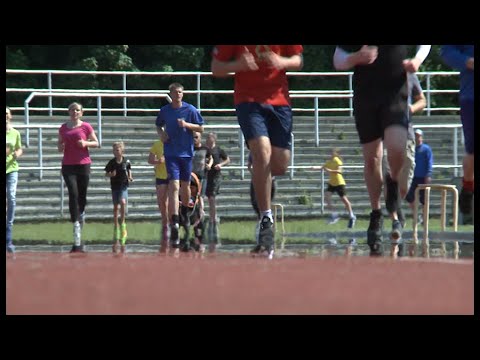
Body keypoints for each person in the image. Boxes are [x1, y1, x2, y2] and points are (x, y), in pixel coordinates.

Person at [333, 45, 431, 256]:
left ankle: (393, 180)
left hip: (395, 94)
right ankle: (376, 212)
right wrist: (356, 57)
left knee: (397, 147)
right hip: (366, 95)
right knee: (372, 159)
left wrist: (418, 60)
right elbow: (338, 60)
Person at [211, 44, 304, 259]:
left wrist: (282, 62)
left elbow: (298, 60)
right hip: (248, 101)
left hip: (279, 101)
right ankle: (266, 218)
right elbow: (216, 68)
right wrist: (238, 65)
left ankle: (261, 167)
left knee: (280, 165)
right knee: (263, 154)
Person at [155, 82, 205, 251]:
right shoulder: (165, 110)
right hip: (171, 153)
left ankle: (185, 214)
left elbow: (201, 128)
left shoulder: (190, 110)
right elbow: (158, 124)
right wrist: (162, 134)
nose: (178, 94)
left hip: (186, 153)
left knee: (185, 187)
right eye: (175, 92)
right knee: (174, 185)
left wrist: (187, 125)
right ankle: (175, 223)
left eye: (181, 92)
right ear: (170, 93)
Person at [383, 72, 427, 228]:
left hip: (406, 134)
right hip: (385, 134)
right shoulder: (379, 73)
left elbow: (422, 100)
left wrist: (412, 108)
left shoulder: (410, 75)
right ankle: (395, 219)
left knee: (404, 185)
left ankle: (397, 208)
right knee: (389, 179)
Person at [58, 102, 99, 253]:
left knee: (82, 196)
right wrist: (61, 147)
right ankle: (75, 225)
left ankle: (80, 215)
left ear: (81, 112)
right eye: (72, 110)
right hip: (68, 165)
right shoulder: (63, 127)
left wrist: (85, 143)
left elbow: (96, 142)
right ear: (68, 112)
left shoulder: (86, 126)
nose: (75, 112)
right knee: (73, 194)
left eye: (77, 110)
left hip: (83, 165)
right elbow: (59, 146)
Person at [440, 45, 474, 219]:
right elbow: (447, 52)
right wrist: (467, 62)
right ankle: (468, 186)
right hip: (472, 96)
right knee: (473, 151)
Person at [312, 148, 356, 228]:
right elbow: (322, 167)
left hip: (339, 182)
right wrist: (313, 168)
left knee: (345, 200)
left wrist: (329, 170)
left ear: (334, 154)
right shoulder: (329, 162)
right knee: (327, 197)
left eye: (331, 153)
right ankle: (334, 215)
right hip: (332, 183)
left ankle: (352, 216)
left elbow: (339, 171)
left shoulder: (337, 160)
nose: (329, 155)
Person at [105, 141, 133, 254]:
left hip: (123, 186)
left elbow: (129, 171)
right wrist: (110, 175)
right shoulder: (111, 163)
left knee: (123, 201)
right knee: (116, 206)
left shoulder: (126, 161)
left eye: (118, 149)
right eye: (115, 150)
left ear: (122, 150)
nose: (116, 152)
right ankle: (116, 226)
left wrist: (130, 177)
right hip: (115, 186)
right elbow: (106, 173)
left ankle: (123, 225)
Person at [204, 131, 230, 252]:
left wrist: (221, 164)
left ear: (214, 139)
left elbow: (227, 159)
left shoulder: (218, 150)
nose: (208, 139)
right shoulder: (204, 149)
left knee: (212, 197)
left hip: (216, 176)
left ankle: (213, 218)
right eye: (207, 137)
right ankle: (208, 216)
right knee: (207, 196)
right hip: (206, 175)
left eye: (210, 137)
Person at [405, 129, 434, 224]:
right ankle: (416, 215)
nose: (417, 137)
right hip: (412, 177)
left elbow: (430, 162)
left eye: (418, 136)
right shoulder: (410, 147)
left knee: (424, 199)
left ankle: (424, 218)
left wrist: (428, 174)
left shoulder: (426, 149)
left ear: (421, 137)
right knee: (409, 196)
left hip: (423, 177)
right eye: (416, 135)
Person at [247, 151, 276, 241]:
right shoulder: (253, 151)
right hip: (257, 180)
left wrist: (270, 176)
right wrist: (255, 174)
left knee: (266, 204)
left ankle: (266, 225)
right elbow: (249, 166)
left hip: (269, 181)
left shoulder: (271, 152)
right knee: (256, 203)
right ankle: (261, 224)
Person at [148, 136, 170, 253]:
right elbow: (150, 160)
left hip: (172, 175)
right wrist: (158, 161)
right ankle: (164, 220)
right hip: (160, 176)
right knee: (161, 200)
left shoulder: (173, 143)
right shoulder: (157, 144)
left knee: (171, 200)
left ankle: (171, 221)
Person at [6, 106, 23, 254]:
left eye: (6, 113)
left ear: (10, 116)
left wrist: (17, 153)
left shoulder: (15, 132)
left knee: (11, 197)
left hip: (11, 169)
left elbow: (19, 148)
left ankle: (9, 236)